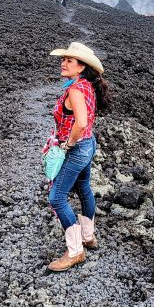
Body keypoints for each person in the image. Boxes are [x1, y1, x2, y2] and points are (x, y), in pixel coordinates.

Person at [44, 41, 110, 271]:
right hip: (89, 144)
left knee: (57, 197)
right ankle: (88, 236)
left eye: (69, 60)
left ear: (81, 66)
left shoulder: (74, 89)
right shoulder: (86, 85)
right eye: (63, 59)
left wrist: (67, 144)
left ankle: (75, 252)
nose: (63, 63)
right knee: (83, 189)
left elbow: (80, 123)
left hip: (77, 147)